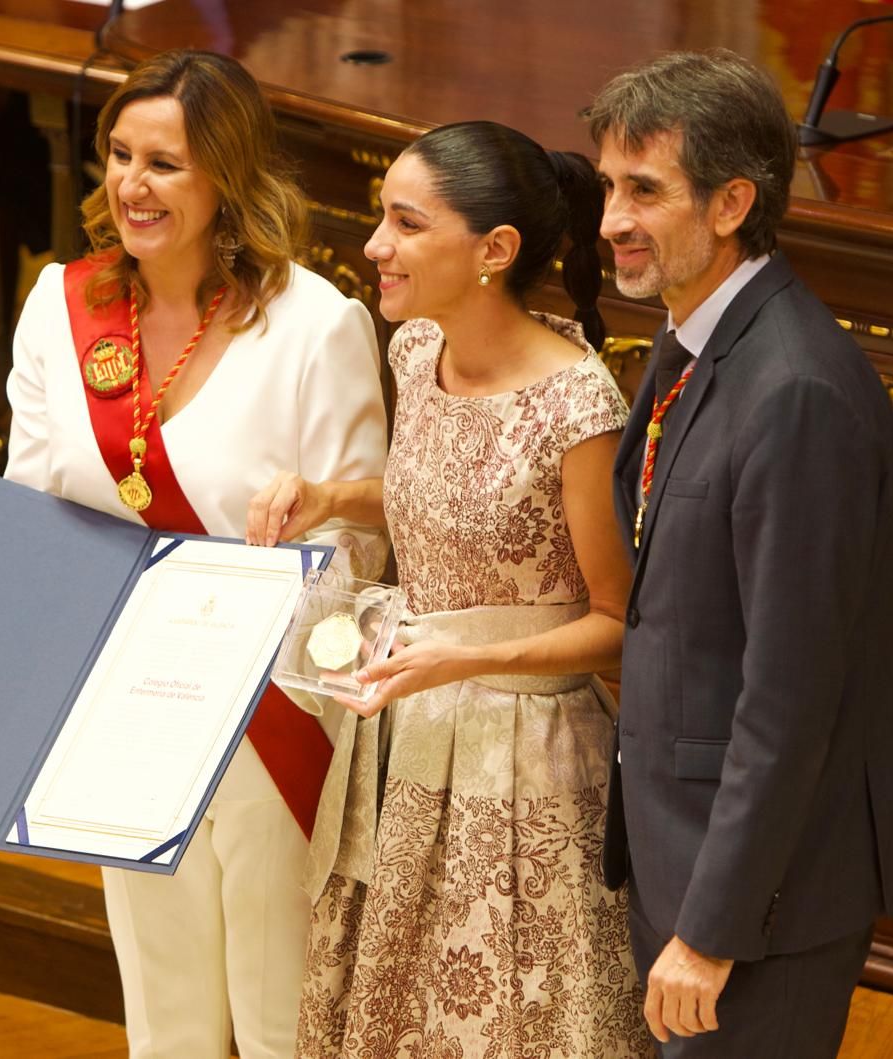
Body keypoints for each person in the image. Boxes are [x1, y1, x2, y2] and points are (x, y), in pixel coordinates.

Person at [0, 50, 388, 1059]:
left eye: (164, 163)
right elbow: (27, 525)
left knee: (279, 1016)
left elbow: (358, 542)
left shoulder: (315, 325)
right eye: (120, 155)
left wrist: (238, 656)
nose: (132, 184)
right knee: (165, 1020)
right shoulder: (59, 305)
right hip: (122, 709)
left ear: (227, 176)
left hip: (268, 713)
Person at [248, 120, 649, 1057]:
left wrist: (466, 658)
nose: (374, 245)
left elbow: (619, 623)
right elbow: (442, 503)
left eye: (406, 223)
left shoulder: (579, 405)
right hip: (406, 736)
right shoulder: (413, 352)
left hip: (528, 764)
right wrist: (330, 497)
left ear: (493, 250)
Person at [588, 49, 893, 1057]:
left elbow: (790, 696)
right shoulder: (695, 338)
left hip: (761, 892)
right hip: (685, 846)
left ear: (732, 202)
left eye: (643, 190)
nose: (610, 219)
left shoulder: (796, 393)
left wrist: (713, 928)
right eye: (608, 185)